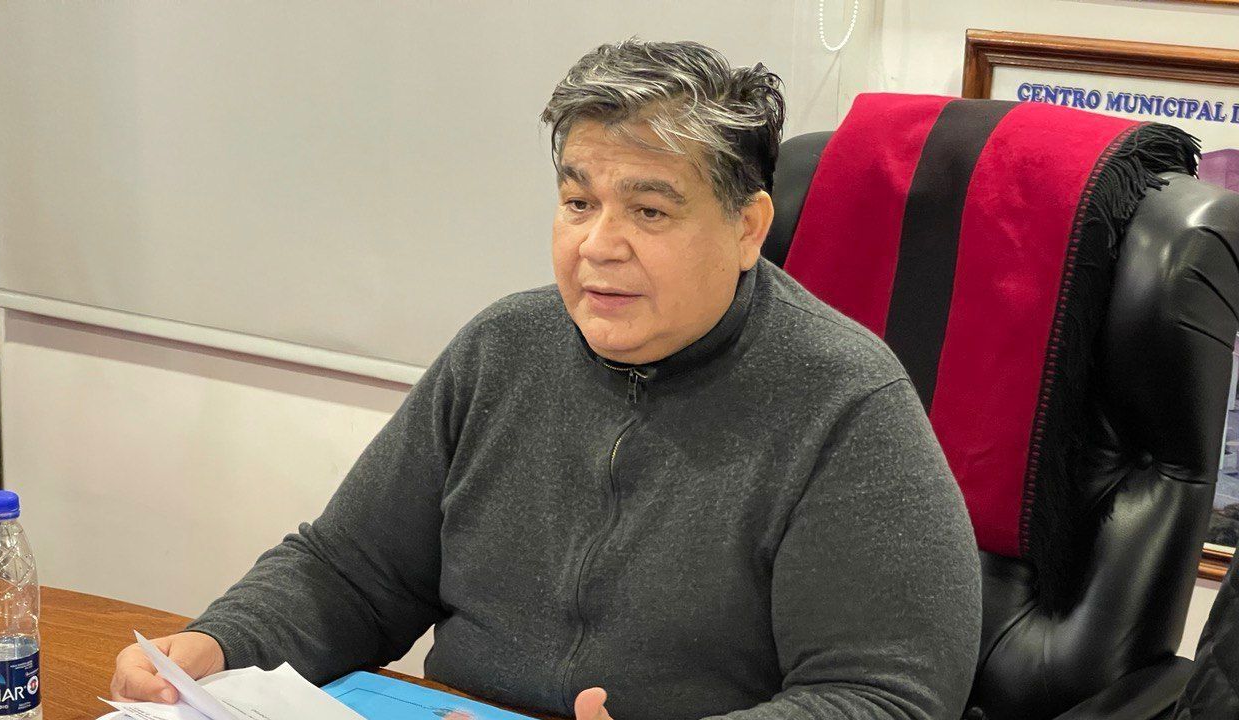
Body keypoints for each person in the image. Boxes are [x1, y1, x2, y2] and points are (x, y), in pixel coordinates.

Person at [110, 39, 981, 720]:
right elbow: (353, 571)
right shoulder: (503, 349)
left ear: (748, 227)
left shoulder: (844, 404)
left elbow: (886, 698)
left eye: (648, 210)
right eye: (578, 203)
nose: (597, 245)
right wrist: (222, 641)